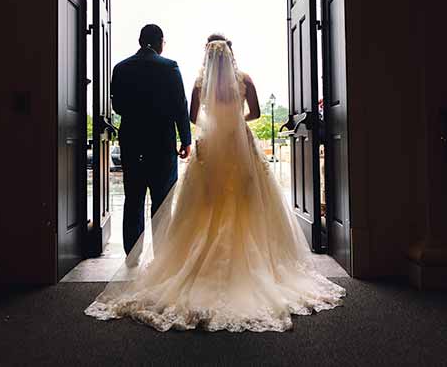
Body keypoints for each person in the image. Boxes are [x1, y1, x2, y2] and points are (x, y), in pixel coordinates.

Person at [86, 34, 345, 331]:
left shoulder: (199, 83)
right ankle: (250, 261)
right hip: (239, 146)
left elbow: (193, 116)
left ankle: (174, 261)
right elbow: (257, 113)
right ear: (231, 54)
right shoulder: (244, 78)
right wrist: (235, 120)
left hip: (206, 147)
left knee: (201, 204)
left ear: (207, 57)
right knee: (247, 202)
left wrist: (212, 124)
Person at [111, 24, 191, 255]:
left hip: (132, 140)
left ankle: (133, 255)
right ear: (160, 42)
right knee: (162, 201)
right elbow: (180, 106)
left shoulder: (121, 68)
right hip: (161, 142)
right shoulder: (169, 67)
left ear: (139, 41)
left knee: (133, 198)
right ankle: (162, 255)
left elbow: (117, 106)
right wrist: (185, 140)